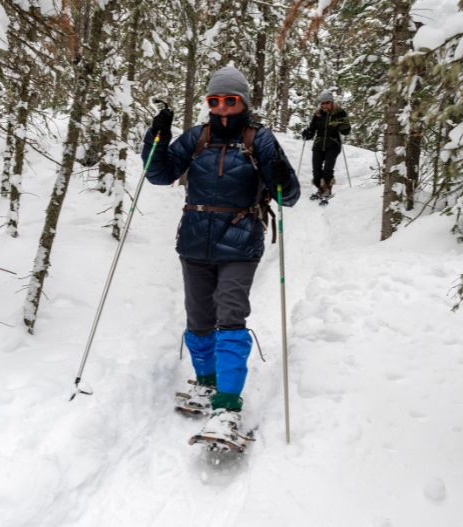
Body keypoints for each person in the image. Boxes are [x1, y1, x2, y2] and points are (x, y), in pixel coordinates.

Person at [141, 65, 300, 441]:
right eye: (215, 101)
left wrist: (279, 175)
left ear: (242, 101)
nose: (223, 107)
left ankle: (227, 408)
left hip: (241, 241)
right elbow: (159, 174)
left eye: (230, 100)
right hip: (195, 240)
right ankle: (207, 383)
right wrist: (157, 137)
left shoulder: (259, 139)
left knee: (229, 316)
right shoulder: (196, 137)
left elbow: (288, 196)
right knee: (198, 318)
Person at [301, 90, 351, 200]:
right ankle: (320, 189)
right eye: (322, 103)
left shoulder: (340, 113)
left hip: (333, 144)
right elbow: (312, 129)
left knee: (328, 169)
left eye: (326, 102)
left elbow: (347, 130)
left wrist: (344, 128)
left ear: (332, 102)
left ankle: (327, 189)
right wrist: (307, 133)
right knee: (316, 170)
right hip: (319, 144)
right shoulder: (317, 114)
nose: (324, 105)